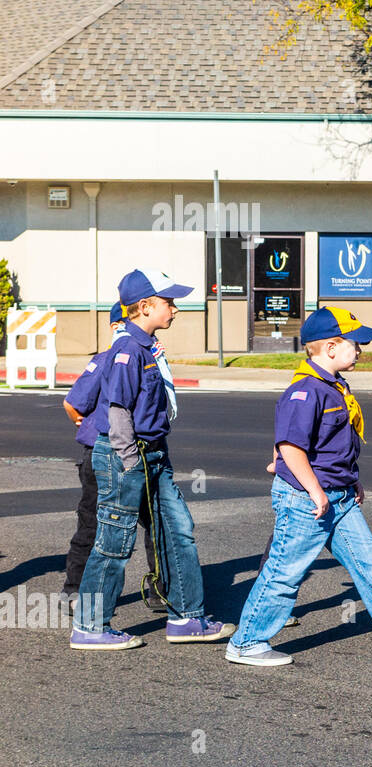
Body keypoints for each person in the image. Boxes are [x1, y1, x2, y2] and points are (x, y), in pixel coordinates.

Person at [226, 308, 372, 666]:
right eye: (355, 343)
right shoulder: (305, 391)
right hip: (307, 499)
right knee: (284, 574)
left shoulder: (334, 387)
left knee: (371, 564)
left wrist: (352, 479)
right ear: (330, 347)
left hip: (339, 496)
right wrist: (316, 491)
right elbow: (290, 447)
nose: (360, 350)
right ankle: (246, 642)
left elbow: (331, 445)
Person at [70, 270, 234, 650]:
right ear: (144, 307)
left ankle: (186, 618)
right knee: (114, 542)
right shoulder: (128, 351)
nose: (175, 309)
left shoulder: (146, 347)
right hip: (129, 457)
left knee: (178, 532)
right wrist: (130, 463)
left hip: (153, 455)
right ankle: (91, 627)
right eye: (168, 302)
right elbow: (118, 412)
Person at [60, 304, 166, 613]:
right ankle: (76, 590)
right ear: (114, 327)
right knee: (93, 523)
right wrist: (92, 425)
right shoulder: (108, 358)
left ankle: (161, 589)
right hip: (102, 454)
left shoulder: (150, 357)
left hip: (140, 451)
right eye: (120, 324)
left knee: (155, 524)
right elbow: (73, 403)